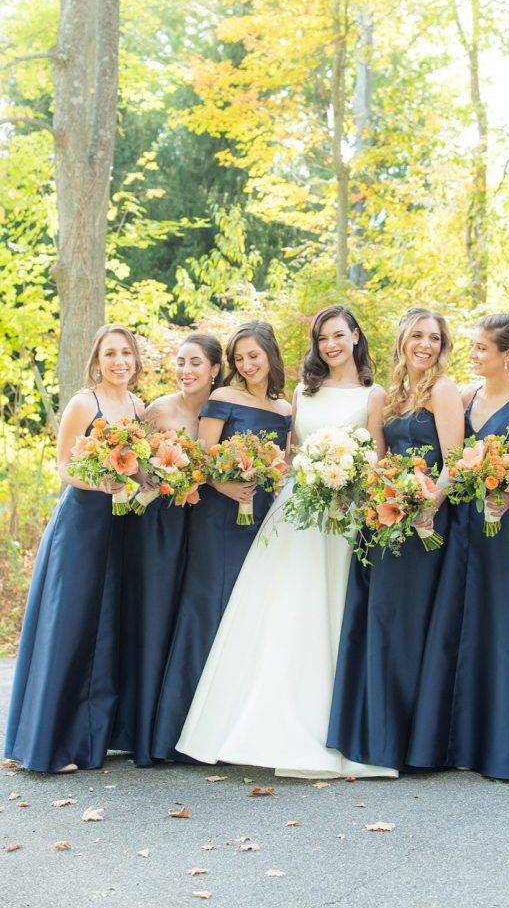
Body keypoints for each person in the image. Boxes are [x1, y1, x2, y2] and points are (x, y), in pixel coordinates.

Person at [176, 305, 396, 778]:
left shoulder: (374, 394)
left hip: (347, 510)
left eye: (338, 335)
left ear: (355, 337)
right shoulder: (303, 390)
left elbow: (378, 457)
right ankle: (268, 720)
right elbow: (291, 454)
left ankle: (337, 724)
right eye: (322, 339)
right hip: (300, 507)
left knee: (336, 608)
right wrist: (310, 475)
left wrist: (351, 482)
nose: (330, 345)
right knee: (288, 607)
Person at [412, 313, 509, 779]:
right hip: (463, 524)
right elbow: (454, 459)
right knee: (460, 623)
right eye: (471, 347)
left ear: (507, 355)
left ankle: (507, 747)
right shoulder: (466, 397)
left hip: (504, 527)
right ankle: (456, 744)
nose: (471, 355)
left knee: (502, 626)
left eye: (480, 349)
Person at [327, 307, 464, 769]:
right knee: (382, 620)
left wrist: (425, 507)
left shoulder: (443, 391)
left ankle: (413, 743)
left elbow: (455, 461)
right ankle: (379, 735)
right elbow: (379, 458)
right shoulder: (392, 394)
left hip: (426, 522)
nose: (426, 345)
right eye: (419, 336)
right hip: (383, 519)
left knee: (411, 624)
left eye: (435, 338)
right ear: (403, 339)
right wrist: (367, 495)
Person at [5, 325, 144, 773]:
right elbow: (65, 467)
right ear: (97, 359)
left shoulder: (139, 406)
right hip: (83, 524)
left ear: (136, 359)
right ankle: (49, 744)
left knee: (105, 627)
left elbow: (141, 470)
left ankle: (92, 741)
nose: (119, 361)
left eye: (126, 353)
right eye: (110, 353)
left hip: (122, 528)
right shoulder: (86, 403)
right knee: (69, 625)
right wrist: (102, 481)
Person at [151, 321, 291, 761]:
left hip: (262, 518)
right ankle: (180, 731)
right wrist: (226, 485)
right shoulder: (222, 399)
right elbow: (202, 456)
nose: (247, 365)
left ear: (270, 354)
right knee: (207, 606)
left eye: (254, 355)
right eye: (240, 358)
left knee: (248, 615)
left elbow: (283, 464)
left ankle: (234, 727)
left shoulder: (286, 409)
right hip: (217, 514)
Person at [110, 333, 223, 765]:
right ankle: (143, 730)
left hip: (204, 526)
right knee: (156, 618)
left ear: (214, 369)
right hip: (158, 524)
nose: (185, 370)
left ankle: (185, 728)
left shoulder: (222, 411)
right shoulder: (159, 409)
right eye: (180, 362)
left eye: (195, 362)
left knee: (190, 622)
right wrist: (149, 481)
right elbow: (126, 464)